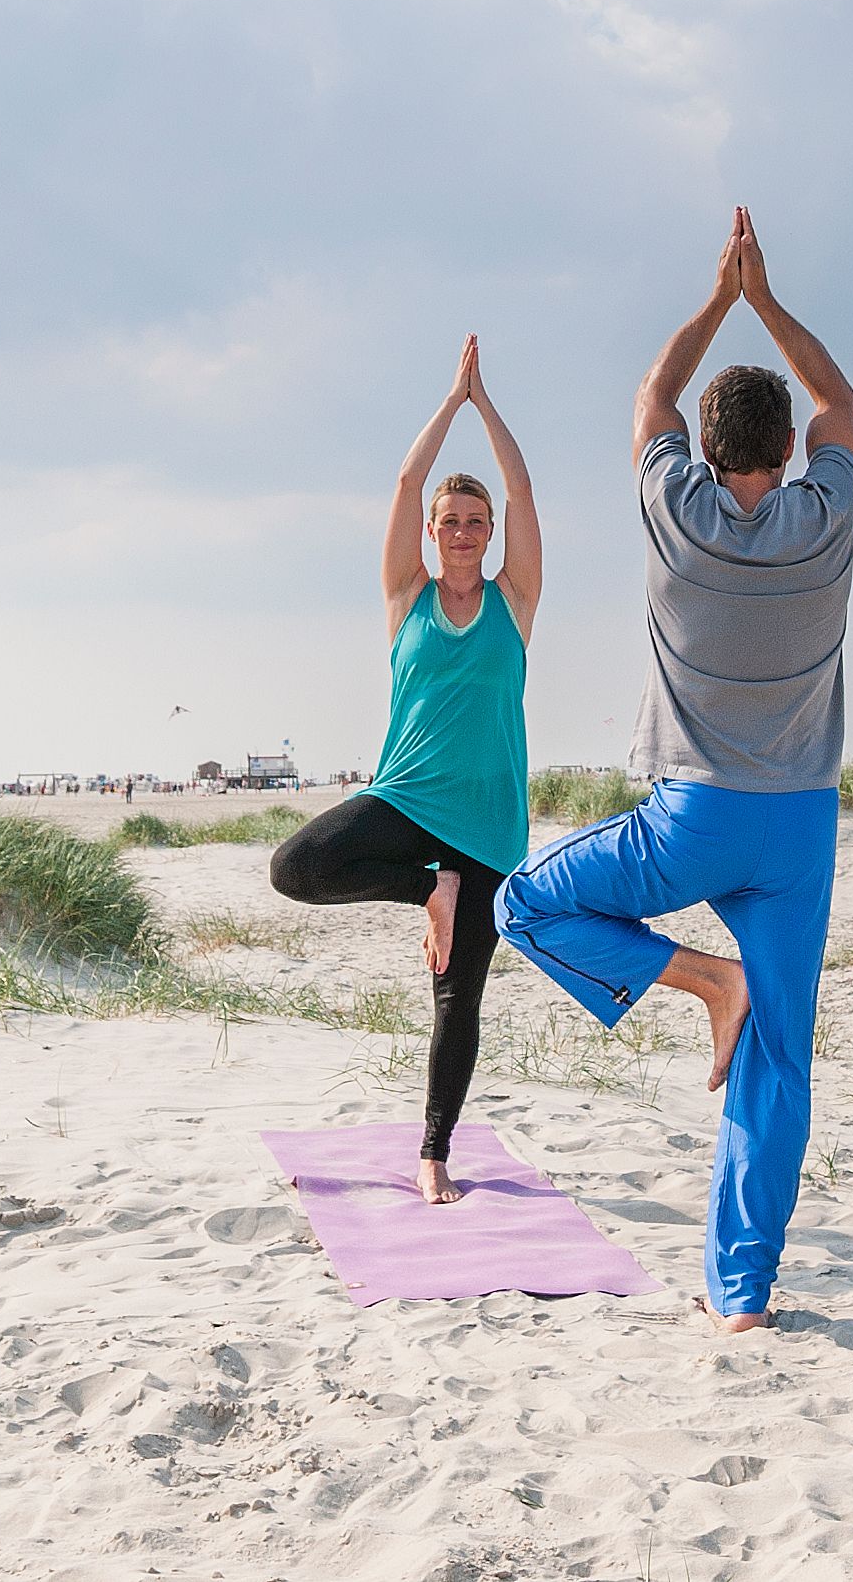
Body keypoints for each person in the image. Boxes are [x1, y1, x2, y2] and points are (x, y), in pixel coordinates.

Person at [500, 206, 853, 1327]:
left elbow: (649, 398)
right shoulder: (826, 518)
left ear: (707, 454)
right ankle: (742, 1290)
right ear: (786, 450)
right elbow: (842, 407)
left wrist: (717, 298)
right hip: (799, 822)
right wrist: (768, 301)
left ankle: (705, 980)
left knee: (523, 903)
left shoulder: (677, 513)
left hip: (694, 817)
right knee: (779, 1065)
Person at [264, 338, 542, 1203]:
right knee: (295, 867)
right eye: (449, 520)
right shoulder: (405, 598)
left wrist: (486, 406)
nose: (462, 531)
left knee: (458, 997)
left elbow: (525, 487)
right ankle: (431, 884)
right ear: (432, 532)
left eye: (475, 520)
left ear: (490, 533)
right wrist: (448, 401)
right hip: (408, 799)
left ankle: (434, 1154)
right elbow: (400, 482)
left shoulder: (515, 601)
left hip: (490, 821)